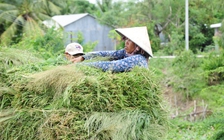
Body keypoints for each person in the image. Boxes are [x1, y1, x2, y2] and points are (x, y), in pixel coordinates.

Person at [71, 26, 153, 72]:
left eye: (130, 41)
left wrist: (80, 66)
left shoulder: (138, 59)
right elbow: (106, 54)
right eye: (126, 39)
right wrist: (84, 57)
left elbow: (111, 66)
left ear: (137, 46)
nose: (126, 42)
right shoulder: (125, 53)